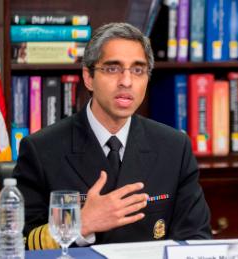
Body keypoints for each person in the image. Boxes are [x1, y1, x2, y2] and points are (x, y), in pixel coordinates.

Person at [13, 22, 212, 249]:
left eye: (138, 70)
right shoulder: (42, 149)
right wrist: (80, 223)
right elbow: (17, 242)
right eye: (112, 68)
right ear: (88, 77)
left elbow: (196, 240)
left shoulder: (175, 147)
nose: (126, 82)